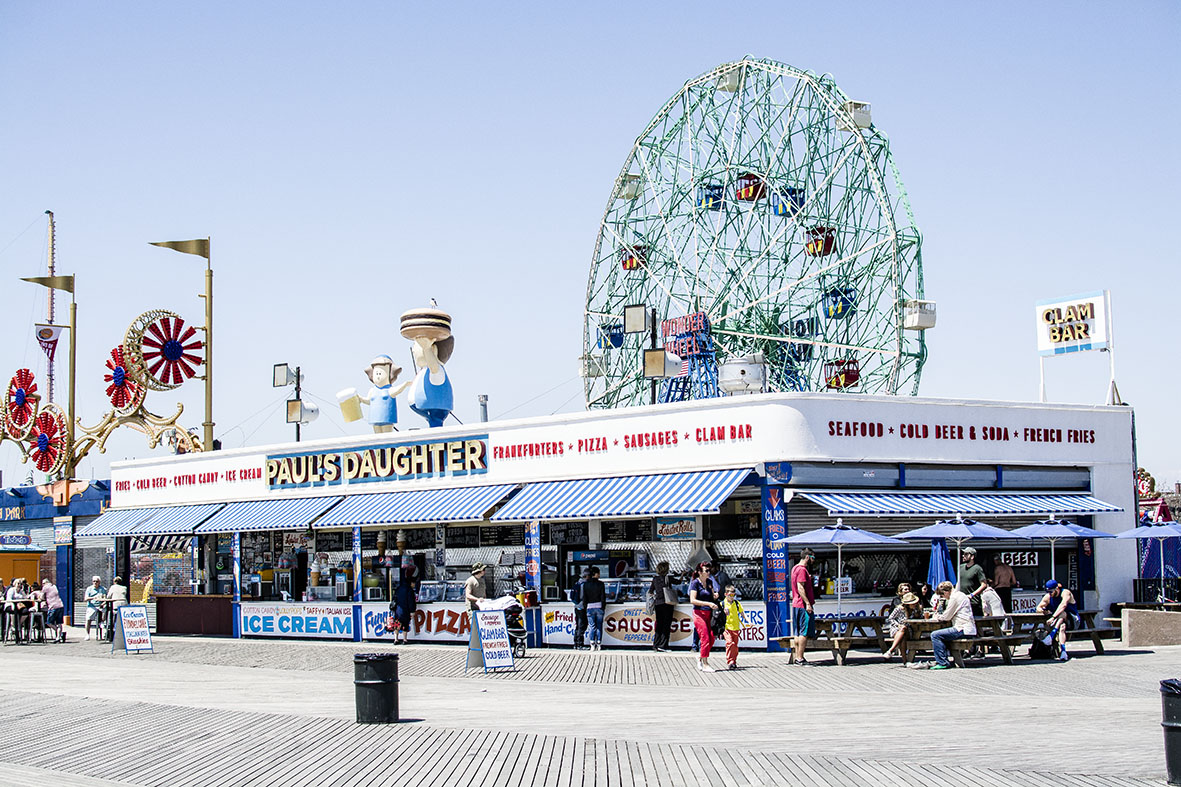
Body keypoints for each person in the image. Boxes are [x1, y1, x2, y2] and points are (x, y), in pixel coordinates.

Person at [926, 580, 976, 670]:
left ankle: (942, 662)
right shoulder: (961, 595)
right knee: (943, 635)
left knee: (935, 635)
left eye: (942, 595)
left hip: (962, 628)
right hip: (969, 628)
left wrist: (936, 616)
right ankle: (943, 659)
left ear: (946, 592)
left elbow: (947, 616)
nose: (944, 598)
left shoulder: (954, 598)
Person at [1036, 579, 1080, 661]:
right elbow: (1038, 607)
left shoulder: (1066, 593)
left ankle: (1051, 636)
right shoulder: (1048, 597)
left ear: (1057, 589)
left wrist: (1053, 617)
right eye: (1048, 592)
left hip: (1072, 620)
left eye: (1051, 591)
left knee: (1062, 613)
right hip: (1059, 622)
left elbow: (1063, 605)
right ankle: (1063, 652)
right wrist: (1042, 610)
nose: (1050, 594)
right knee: (1062, 626)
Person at [688, 563, 720, 672]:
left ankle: (701, 656)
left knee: (711, 637)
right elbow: (692, 600)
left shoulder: (710, 582)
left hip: (708, 613)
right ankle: (705, 663)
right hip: (698, 613)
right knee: (704, 637)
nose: (708, 573)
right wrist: (707, 603)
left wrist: (715, 596)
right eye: (706, 571)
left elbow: (712, 596)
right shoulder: (695, 583)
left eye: (709, 570)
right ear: (700, 572)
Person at [790, 549, 816, 666]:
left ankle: (797, 656)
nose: (813, 560)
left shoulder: (794, 568)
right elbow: (800, 588)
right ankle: (800, 658)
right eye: (812, 558)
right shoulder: (801, 570)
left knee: (797, 631)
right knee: (803, 632)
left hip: (795, 604)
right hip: (801, 604)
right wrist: (808, 603)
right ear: (807, 557)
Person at [883, 591, 922, 660]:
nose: (914, 605)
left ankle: (891, 650)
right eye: (912, 604)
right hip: (896, 629)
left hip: (909, 630)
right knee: (902, 635)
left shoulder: (916, 609)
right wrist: (898, 625)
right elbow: (890, 618)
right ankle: (905, 661)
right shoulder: (899, 609)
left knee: (903, 630)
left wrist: (918, 613)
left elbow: (920, 619)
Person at [649, 561, 676, 652]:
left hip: (658, 604)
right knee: (666, 625)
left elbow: (650, 591)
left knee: (659, 625)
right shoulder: (668, 578)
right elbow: (679, 581)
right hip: (667, 603)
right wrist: (682, 574)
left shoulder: (655, 579)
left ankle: (655, 644)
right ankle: (663, 645)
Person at [721, 584, 747, 670]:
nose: (732, 597)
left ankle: (734, 661)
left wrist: (748, 621)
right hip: (727, 627)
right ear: (726, 594)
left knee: (735, 646)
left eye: (733, 595)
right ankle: (730, 661)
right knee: (730, 643)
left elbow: (742, 613)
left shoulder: (736, 603)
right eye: (730, 595)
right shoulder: (723, 604)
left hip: (735, 627)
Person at [582, 567, 606, 651]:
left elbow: (584, 598)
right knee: (599, 626)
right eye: (598, 573)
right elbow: (603, 597)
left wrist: (585, 607)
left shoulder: (585, 584)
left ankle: (592, 644)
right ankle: (599, 643)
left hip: (590, 607)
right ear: (596, 574)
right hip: (599, 606)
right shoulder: (601, 584)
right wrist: (603, 607)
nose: (599, 575)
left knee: (592, 626)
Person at [957, 547, 987, 614]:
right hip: (961, 601)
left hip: (973, 602)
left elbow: (984, 584)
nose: (963, 556)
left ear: (972, 557)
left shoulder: (977, 568)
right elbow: (958, 582)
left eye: (966, 554)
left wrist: (972, 595)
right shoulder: (960, 567)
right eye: (963, 554)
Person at [392, 571, 418, 645]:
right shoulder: (409, 590)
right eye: (414, 583)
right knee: (405, 625)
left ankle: (396, 639)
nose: (414, 585)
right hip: (405, 610)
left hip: (397, 610)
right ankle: (404, 639)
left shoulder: (399, 588)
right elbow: (411, 601)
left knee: (397, 624)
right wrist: (412, 611)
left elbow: (394, 599)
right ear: (411, 583)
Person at [5, 578, 30, 644]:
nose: (19, 585)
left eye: (20, 584)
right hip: (10, 605)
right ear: (15, 584)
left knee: (26, 612)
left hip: (19, 605)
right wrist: (12, 605)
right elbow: (9, 599)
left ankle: (19, 624)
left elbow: (25, 598)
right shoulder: (11, 590)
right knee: (15, 611)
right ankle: (14, 629)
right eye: (18, 583)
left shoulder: (21, 591)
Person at [571, 568, 589, 650]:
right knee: (582, 625)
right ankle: (580, 644)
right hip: (582, 607)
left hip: (577, 606)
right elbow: (583, 596)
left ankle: (576, 643)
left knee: (578, 625)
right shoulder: (584, 584)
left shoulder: (577, 583)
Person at [42, 578, 65, 643]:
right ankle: (58, 636)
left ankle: (59, 633)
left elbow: (41, 597)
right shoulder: (54, 586)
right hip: (60, 605)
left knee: (49, 623)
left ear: (45, 583)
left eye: (43, 583)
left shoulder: (45, 587)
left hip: (53, 607)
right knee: (59, 623)